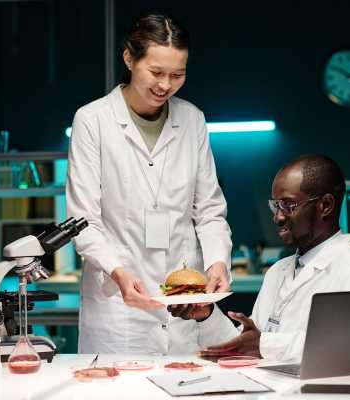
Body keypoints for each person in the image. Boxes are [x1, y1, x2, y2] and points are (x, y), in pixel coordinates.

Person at [66, 14, 232, 354]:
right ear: (129, 58)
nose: (165, 85)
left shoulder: (192, 120)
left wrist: (217, 262)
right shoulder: (93, 120)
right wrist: (119, 272)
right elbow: (83, 222)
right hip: (119, 310)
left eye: (177, 74)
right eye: (156, 72)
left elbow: (210, 210)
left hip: (183, 305)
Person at [169, 155, 350, 362]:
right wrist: (206, 314)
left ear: (325, 206)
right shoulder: (278, 271)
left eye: (288, 206)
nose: (278, 216)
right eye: (275, 205)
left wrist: (265, 344)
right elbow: (245, 347)